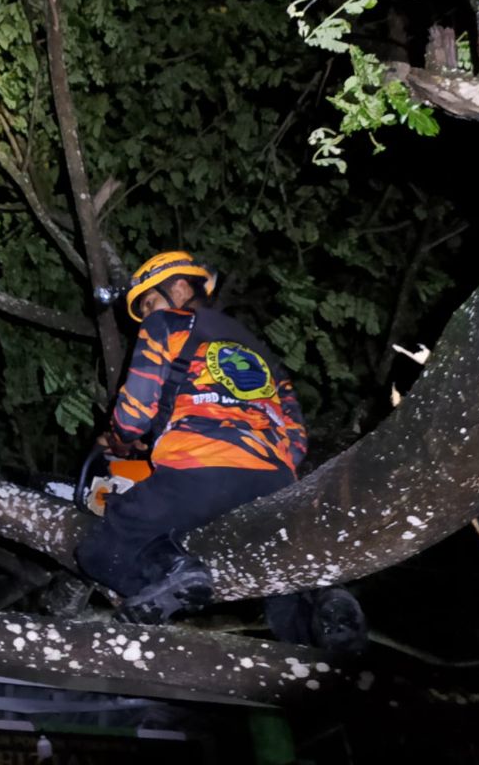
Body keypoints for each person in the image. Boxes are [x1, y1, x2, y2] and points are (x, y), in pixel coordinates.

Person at [75, 251, 365, 650]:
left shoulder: (166, 323)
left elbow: (133, 415)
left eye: (149, 302)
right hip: (275, 478)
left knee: (99, 549)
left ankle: (175, 571)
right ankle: (331, 603)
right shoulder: (261, 350)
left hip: (200, 469)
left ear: (178, 287)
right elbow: (297, 437)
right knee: (282, 596)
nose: (147, 315)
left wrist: (120, 441)